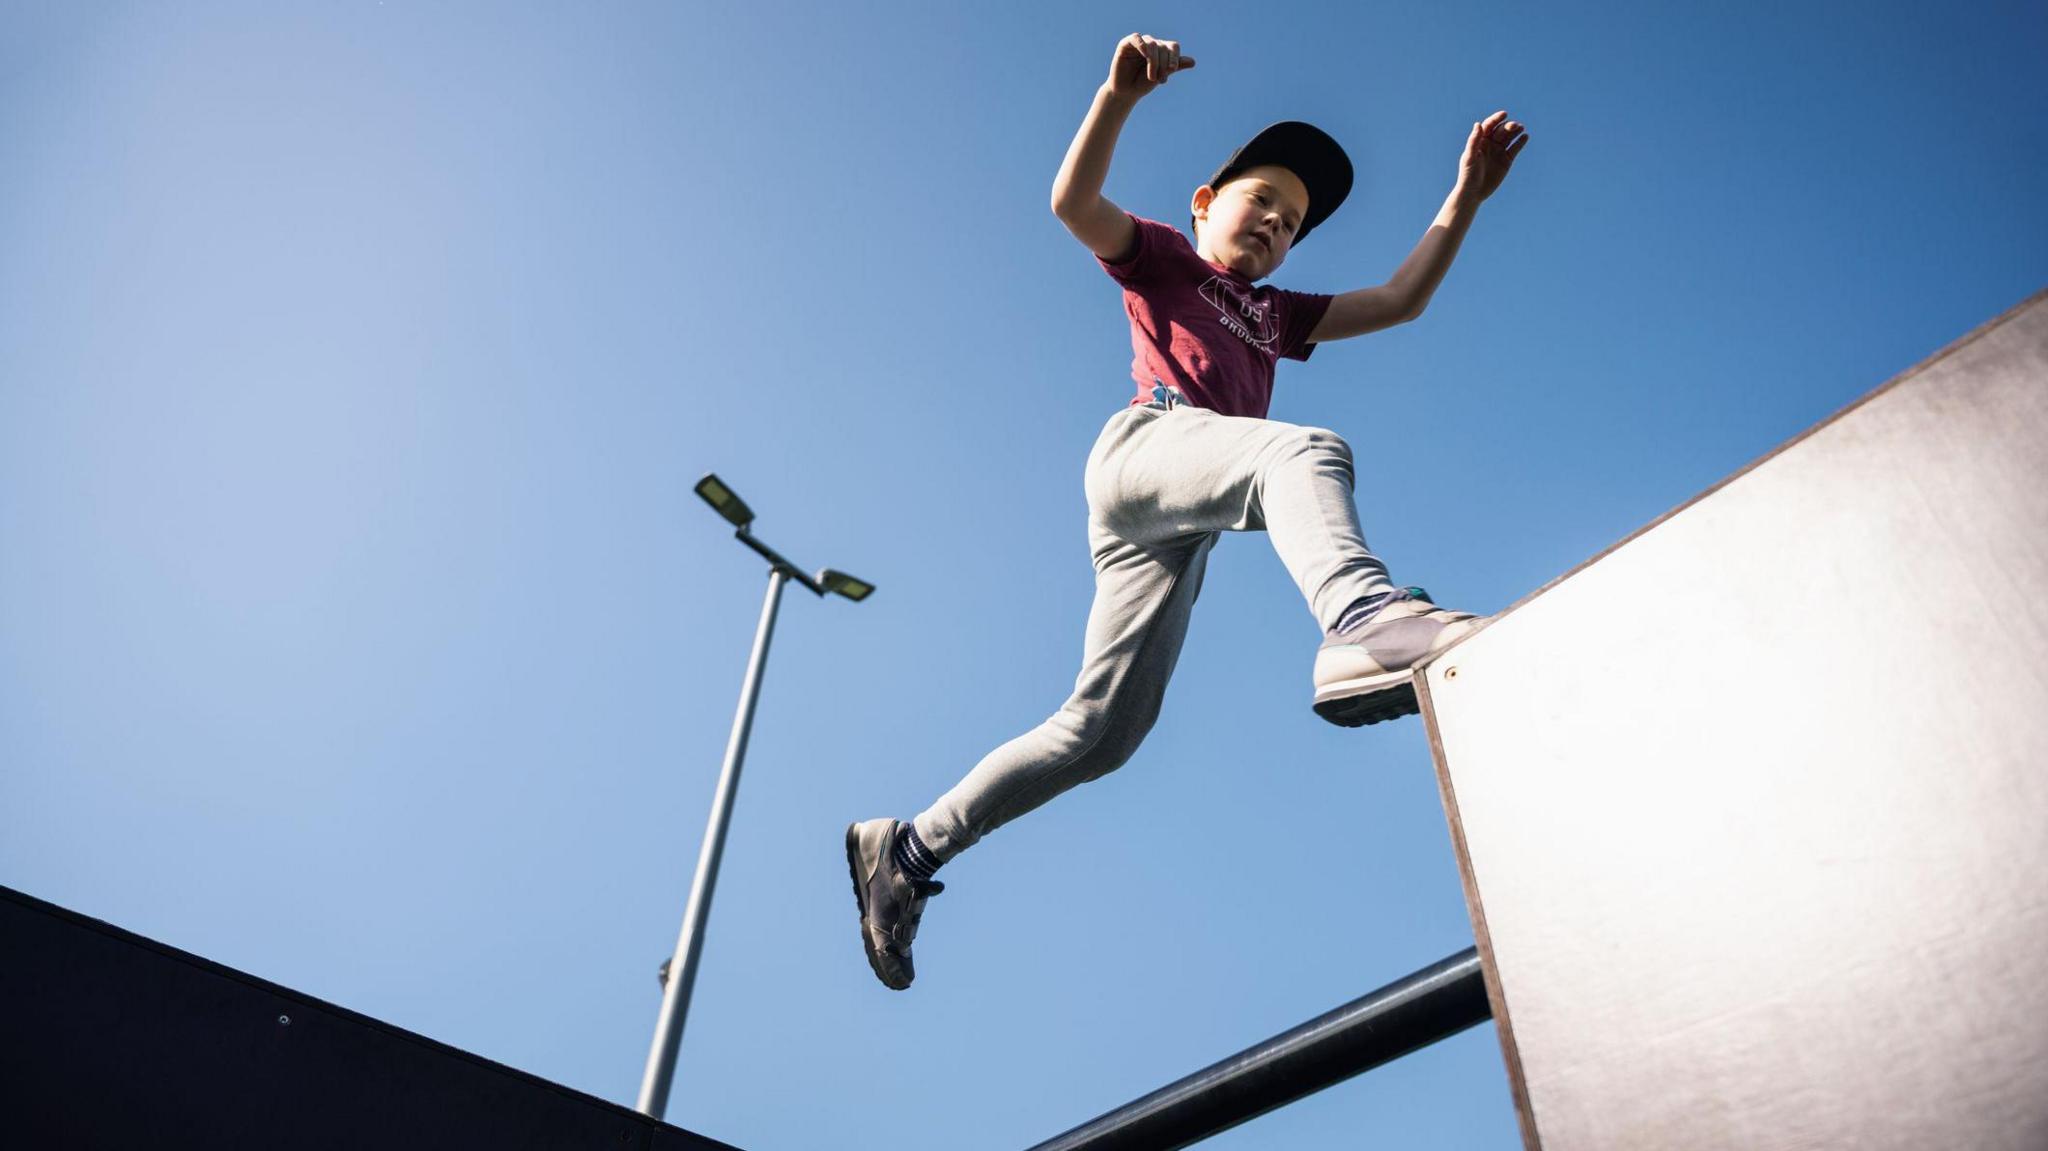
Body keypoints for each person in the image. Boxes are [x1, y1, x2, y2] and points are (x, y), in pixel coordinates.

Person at [847, 33, 1528, 991]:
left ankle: (908, 850)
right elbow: (1073, 204)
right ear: (1207, 202)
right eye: (1261, 202)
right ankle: (1362, 617)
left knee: (1106, 732)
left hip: (1184, 517)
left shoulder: (1279, 316)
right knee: (1306, 449)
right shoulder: (1166, 258)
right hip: (1145, 453)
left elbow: (1401, 299)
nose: (1274, 227)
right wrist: (1117, 97)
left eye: (1291, 223)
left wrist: (1463, 200)